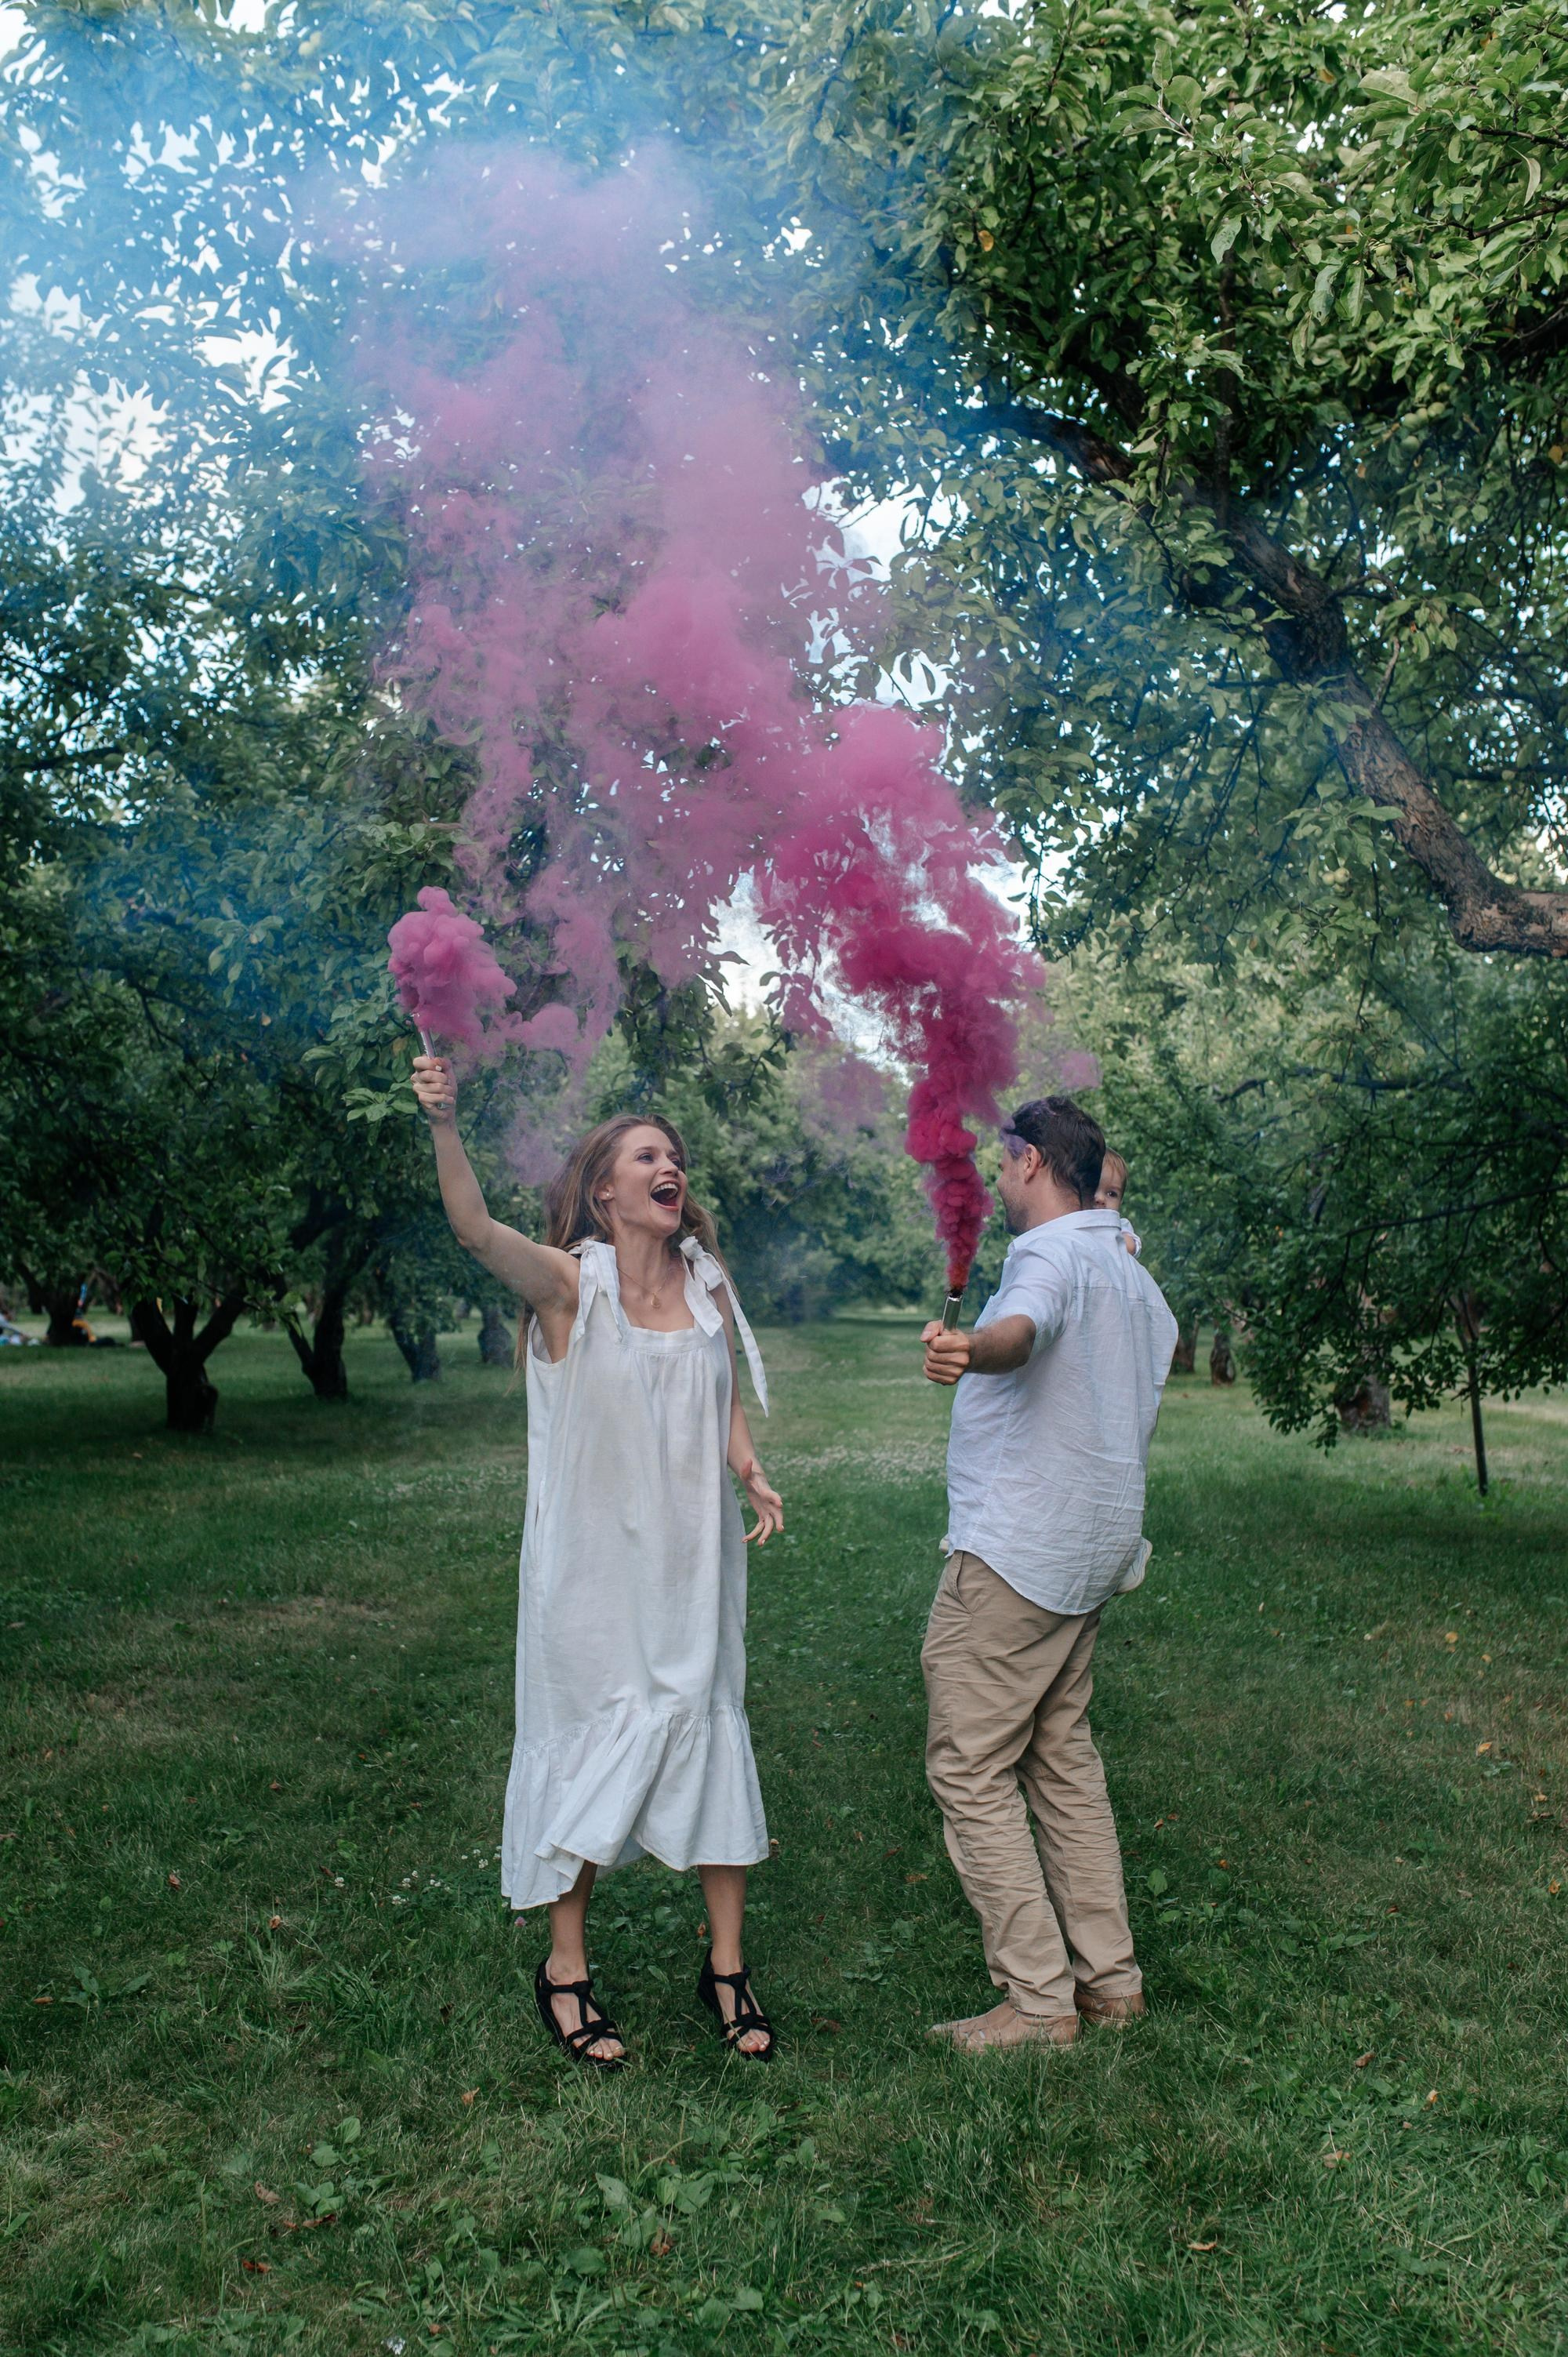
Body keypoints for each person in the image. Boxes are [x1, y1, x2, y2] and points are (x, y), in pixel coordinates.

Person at [412, 1053, 782, 2068]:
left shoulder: (706, 1287)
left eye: (675, 1154)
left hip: (690, 1569)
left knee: (706, 1728)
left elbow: (717, 1394)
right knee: (591, 1739)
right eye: (646, 1154)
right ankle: (566, 1970)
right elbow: (474, 1232)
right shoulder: (575, 1286)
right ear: (607, 1188)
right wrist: (446, 1123)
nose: (671, 1164)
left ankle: (728, 1967)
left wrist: (747, 1467)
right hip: (591, 1574)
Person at [920, 1095, 1178, 2052]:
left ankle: (1036, 2004)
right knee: (1060, 1760)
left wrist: (966, 1350)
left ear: (1031, 1160)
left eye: (1002, 1159)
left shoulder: (1050, 1253)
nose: (995, 1175)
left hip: (1018, 1554)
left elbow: (1020, 1332)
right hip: (1092, 1554)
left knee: (968, 1768)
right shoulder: (1134, 1280)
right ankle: (1110, 1983)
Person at [1094, 1149, 1142, 1256]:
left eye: (1112, 1194)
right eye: (1093, 1189)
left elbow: (1131, 1247)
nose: (1101, 1199)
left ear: (1120, 1202)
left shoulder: (1118, 1225)